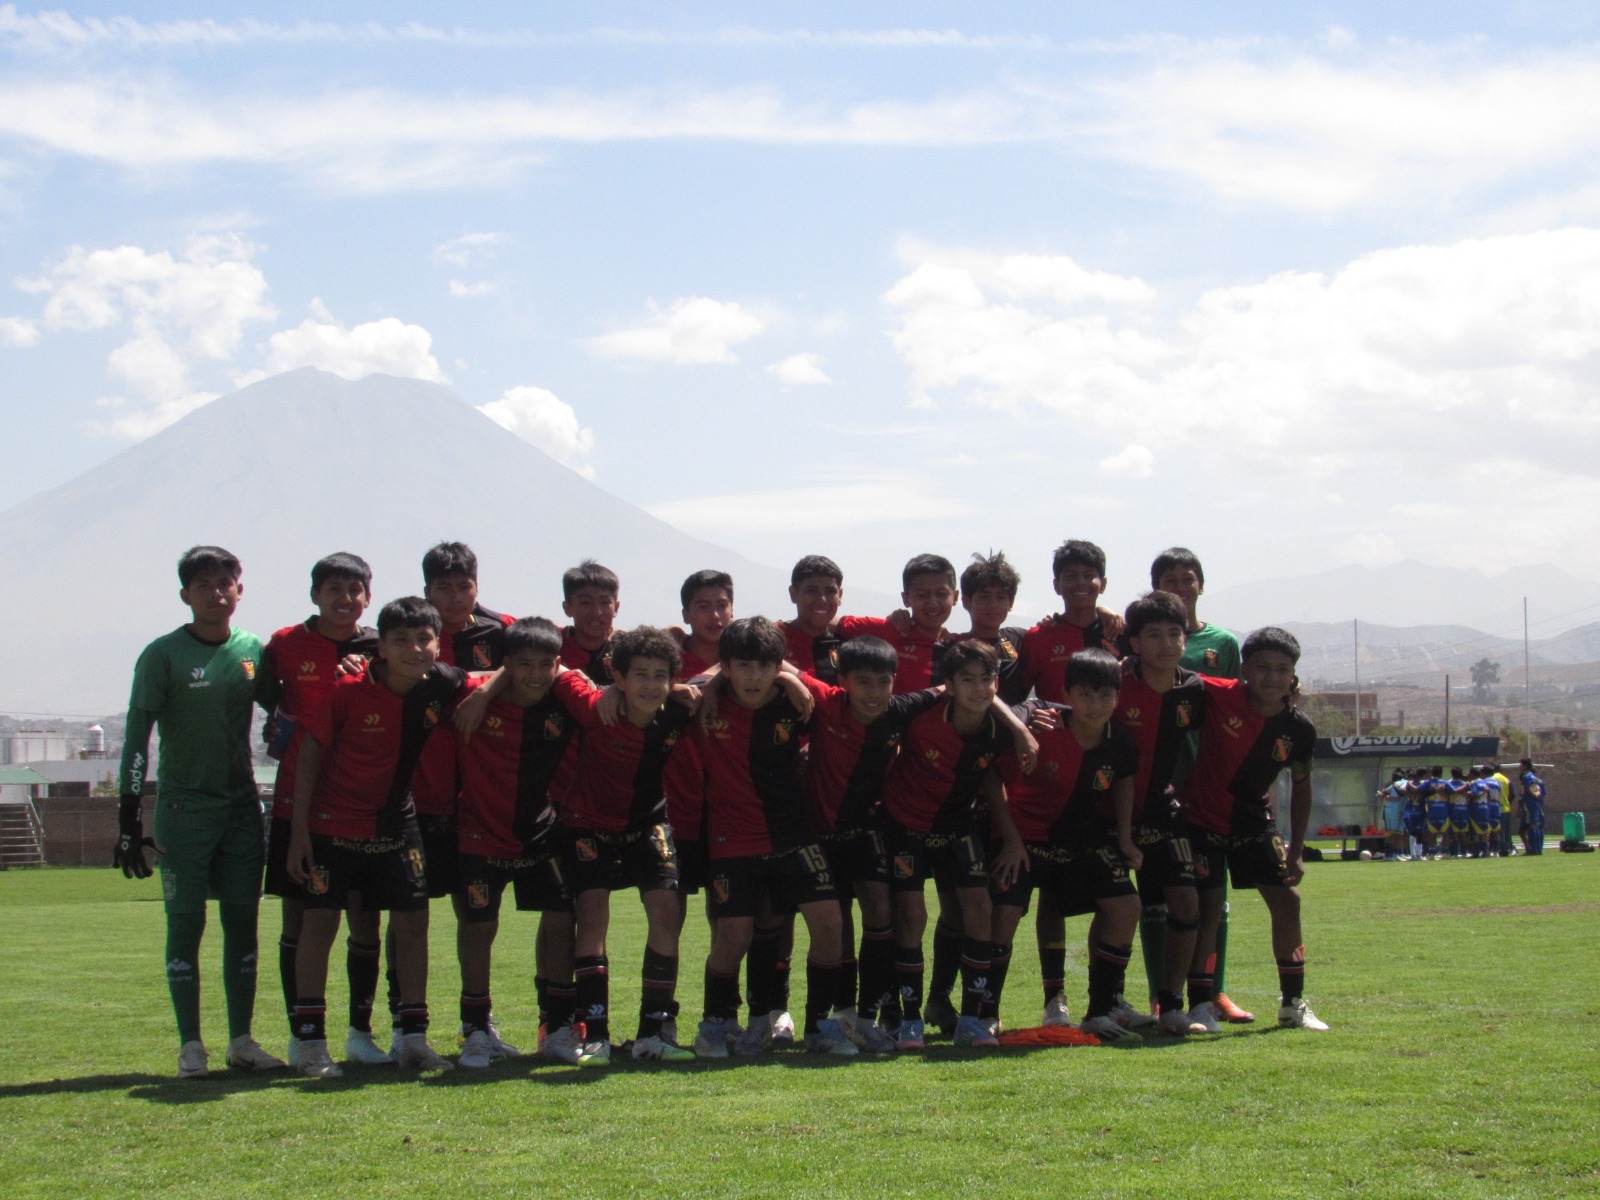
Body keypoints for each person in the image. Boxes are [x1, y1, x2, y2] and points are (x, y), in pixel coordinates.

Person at [115, 545, 286, 1079]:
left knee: (244, 924)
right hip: (184, 811)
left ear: (240, 588)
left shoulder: (251, 649)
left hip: (240, 808)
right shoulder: (162, 655)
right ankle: (191, 1045)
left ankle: (241, 1040)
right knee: (186, 923)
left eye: (225, 583)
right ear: (185, 594)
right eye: (204, 585)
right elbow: (136, 738)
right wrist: (128, 820)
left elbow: (284, 709)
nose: (216, 593)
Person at [285, 596, 469, 1077]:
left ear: (437, 644)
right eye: (401, 640)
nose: (414, 648)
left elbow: (489, 679)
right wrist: (298, 832)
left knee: (413, 923)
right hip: (332, 827)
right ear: (381, 647)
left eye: (424, 639)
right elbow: (307, 755)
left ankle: (413, 1039)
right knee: (320, 927)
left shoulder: (441, 683)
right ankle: (309, 1045)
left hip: (396, 825)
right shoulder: (347, 690)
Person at [691, 616, 858, 1058]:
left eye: (764, 666)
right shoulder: (704, 701)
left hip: (793, 833)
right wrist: (706, 687)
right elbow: (676, 689)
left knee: (828, 923)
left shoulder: (797, 702)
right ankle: (717, 1024)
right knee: (733, 937)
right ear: (725, 666)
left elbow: (853, 702)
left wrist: (792, 678)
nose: (753, 676)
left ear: (778, 666)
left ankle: (821, 1025)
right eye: (742, 665)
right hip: (733, 838)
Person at [257, 552, 385, 1065]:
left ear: (367, 598)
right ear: (315, 594)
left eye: (355, 591)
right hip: (297, 803)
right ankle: (304, 1035)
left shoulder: (381, 645)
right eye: (334, 589)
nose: (345, 600)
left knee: (364, 920)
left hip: (361, 806)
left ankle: (360, 1031)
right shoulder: (286, 645)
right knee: (302, 919)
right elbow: (270, 705)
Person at [877, 640, 1037, 1050]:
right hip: (906, 825)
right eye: (968, 680)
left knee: (979, 909)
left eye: (987, 679)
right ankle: (910, 1021)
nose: (979, 689)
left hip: (957, 825)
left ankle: (972, 1018)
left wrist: (1013, 838)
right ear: (948, 684)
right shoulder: (920, 712)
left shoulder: (1002, 725)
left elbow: (992, 777)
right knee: (912, 916)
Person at [551, 626, 700, 1065]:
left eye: (660, 675)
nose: (650, 685)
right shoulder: (595, 706)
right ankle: (595, 1035)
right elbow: (559, 672)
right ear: (619, 676)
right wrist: (599, 691)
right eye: (640, 675)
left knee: (666, 915)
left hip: (648, 823)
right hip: (588, 826)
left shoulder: (678, 711)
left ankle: (653, 1034)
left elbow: (722, 679)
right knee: (593, 918)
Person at [987, 648, 1144, 1044]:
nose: (1096, 705)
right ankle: (983, 1014)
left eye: (1106, 695)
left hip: (1078, 838)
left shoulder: (1119, 740)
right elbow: (991, 779)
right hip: (1022, 837)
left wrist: (1124, 836)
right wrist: (1009, 840)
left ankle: (1101, 1011)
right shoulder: (1042, 725)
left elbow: (1124, 780)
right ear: (1068, 693)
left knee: (1126, 907)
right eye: (1086, 695)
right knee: (1004, 916)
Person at [1179, 627, 1327, 1032]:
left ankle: (1293, 1004)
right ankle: (1202, 1006)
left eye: (1282, 669)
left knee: (1288, 901)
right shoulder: (1217, 693)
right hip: (1201, 822)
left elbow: (1301, 785)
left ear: (1294, 675)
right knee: (1208, 909)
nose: (1272, 677)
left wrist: (1297, 849)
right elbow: (1169, 673)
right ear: (1245, 669)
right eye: (1263, 667)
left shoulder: (1299, 728)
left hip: (1252, 823)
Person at [452, 618, 583, 1067]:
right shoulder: (469, 691)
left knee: (563, 920)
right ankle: (476, 1029)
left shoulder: (563, 699)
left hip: (540, 833)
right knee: (479, 928)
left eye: (544, 665)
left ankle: (559, 1026)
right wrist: (486, 692)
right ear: (504, 664)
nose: (534, 674)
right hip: (479, 834)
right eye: (522, 665)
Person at [1017, 539, 1119, 1029]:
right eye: (1070, 577)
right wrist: (1027, 721)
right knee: (1052, 898)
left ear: (1103, 581)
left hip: (1112, 776)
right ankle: (1053, 997)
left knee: (1116, 896)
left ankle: (1109, 998)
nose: (1080, 585)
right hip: (1054, 783)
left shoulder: (1123, 631)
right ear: (1056, 584)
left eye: (1089, 576)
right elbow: (1014, 697)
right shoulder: (1039, 638)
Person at [1151, 546, 1249, 1023]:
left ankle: (1213, 991)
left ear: (1201, 585)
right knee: (1159, 897)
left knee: (1214, 896)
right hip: (1159, 784)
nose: (1180, 586)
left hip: (1211, 783)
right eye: (1170, 578)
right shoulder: (1143, 637)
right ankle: (1160, 991)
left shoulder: (1223, 643)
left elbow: (1241, 705)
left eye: (1188, 578)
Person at [1114, 592, 1208, 1034]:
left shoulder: (1194, 689)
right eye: (1154, 635)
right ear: (1134, 642)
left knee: (1187, 901)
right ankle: (1107, 1000)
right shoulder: (1114, 684)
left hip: (1162, 811)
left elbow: (1242, 699)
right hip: (1108, 812)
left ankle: (1172, 1005)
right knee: (1115, 906)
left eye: (1175, 634)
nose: (1166, 644)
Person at [837, 553, 960, 694]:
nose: (933, 603)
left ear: (955, 597)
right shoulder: (890, 629)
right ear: (906, 599)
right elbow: (828, 620)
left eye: (941, 594)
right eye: (922, 595)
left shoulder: (958, 645)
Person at [781, 555, 845, 684]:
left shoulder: (847, 646)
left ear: (840, 595)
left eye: (830, 591)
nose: (822, 600)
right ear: (793, 594)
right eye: (812, 591)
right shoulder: (773, 639)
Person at [560, 559, 621, 683]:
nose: (596, 612)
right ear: (568, 608)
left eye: (604, 603)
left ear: (616, 608)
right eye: (586, 603)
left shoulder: (629, 648)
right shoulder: (553, 645)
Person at [1518, 758, 1546, 854]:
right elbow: (1541, 792)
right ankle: (1537, 849)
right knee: (1535, 826)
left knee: (1531, 826)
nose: (1519, 767)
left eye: (1521, 765)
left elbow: (1531, 789)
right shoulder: (1535, 778)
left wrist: (1534, 795)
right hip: (1536, 804)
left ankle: (1533, 849)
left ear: (1525, 766)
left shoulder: (1527, 777)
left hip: (1529, 804)